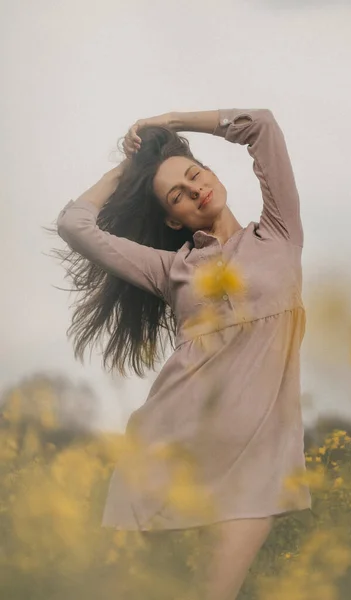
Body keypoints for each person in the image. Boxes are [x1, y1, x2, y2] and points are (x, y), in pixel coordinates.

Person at [56, 108, 311, 600]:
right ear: (173, 218)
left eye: (196, 176)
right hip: (167, 449)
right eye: (179, 195)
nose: (195, 191)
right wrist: (126, 169)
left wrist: (171, 123)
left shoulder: (280, 233)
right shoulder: (171, 269)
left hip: (261, 458)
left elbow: (262, 126)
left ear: (212, 174)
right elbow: (75, 224)